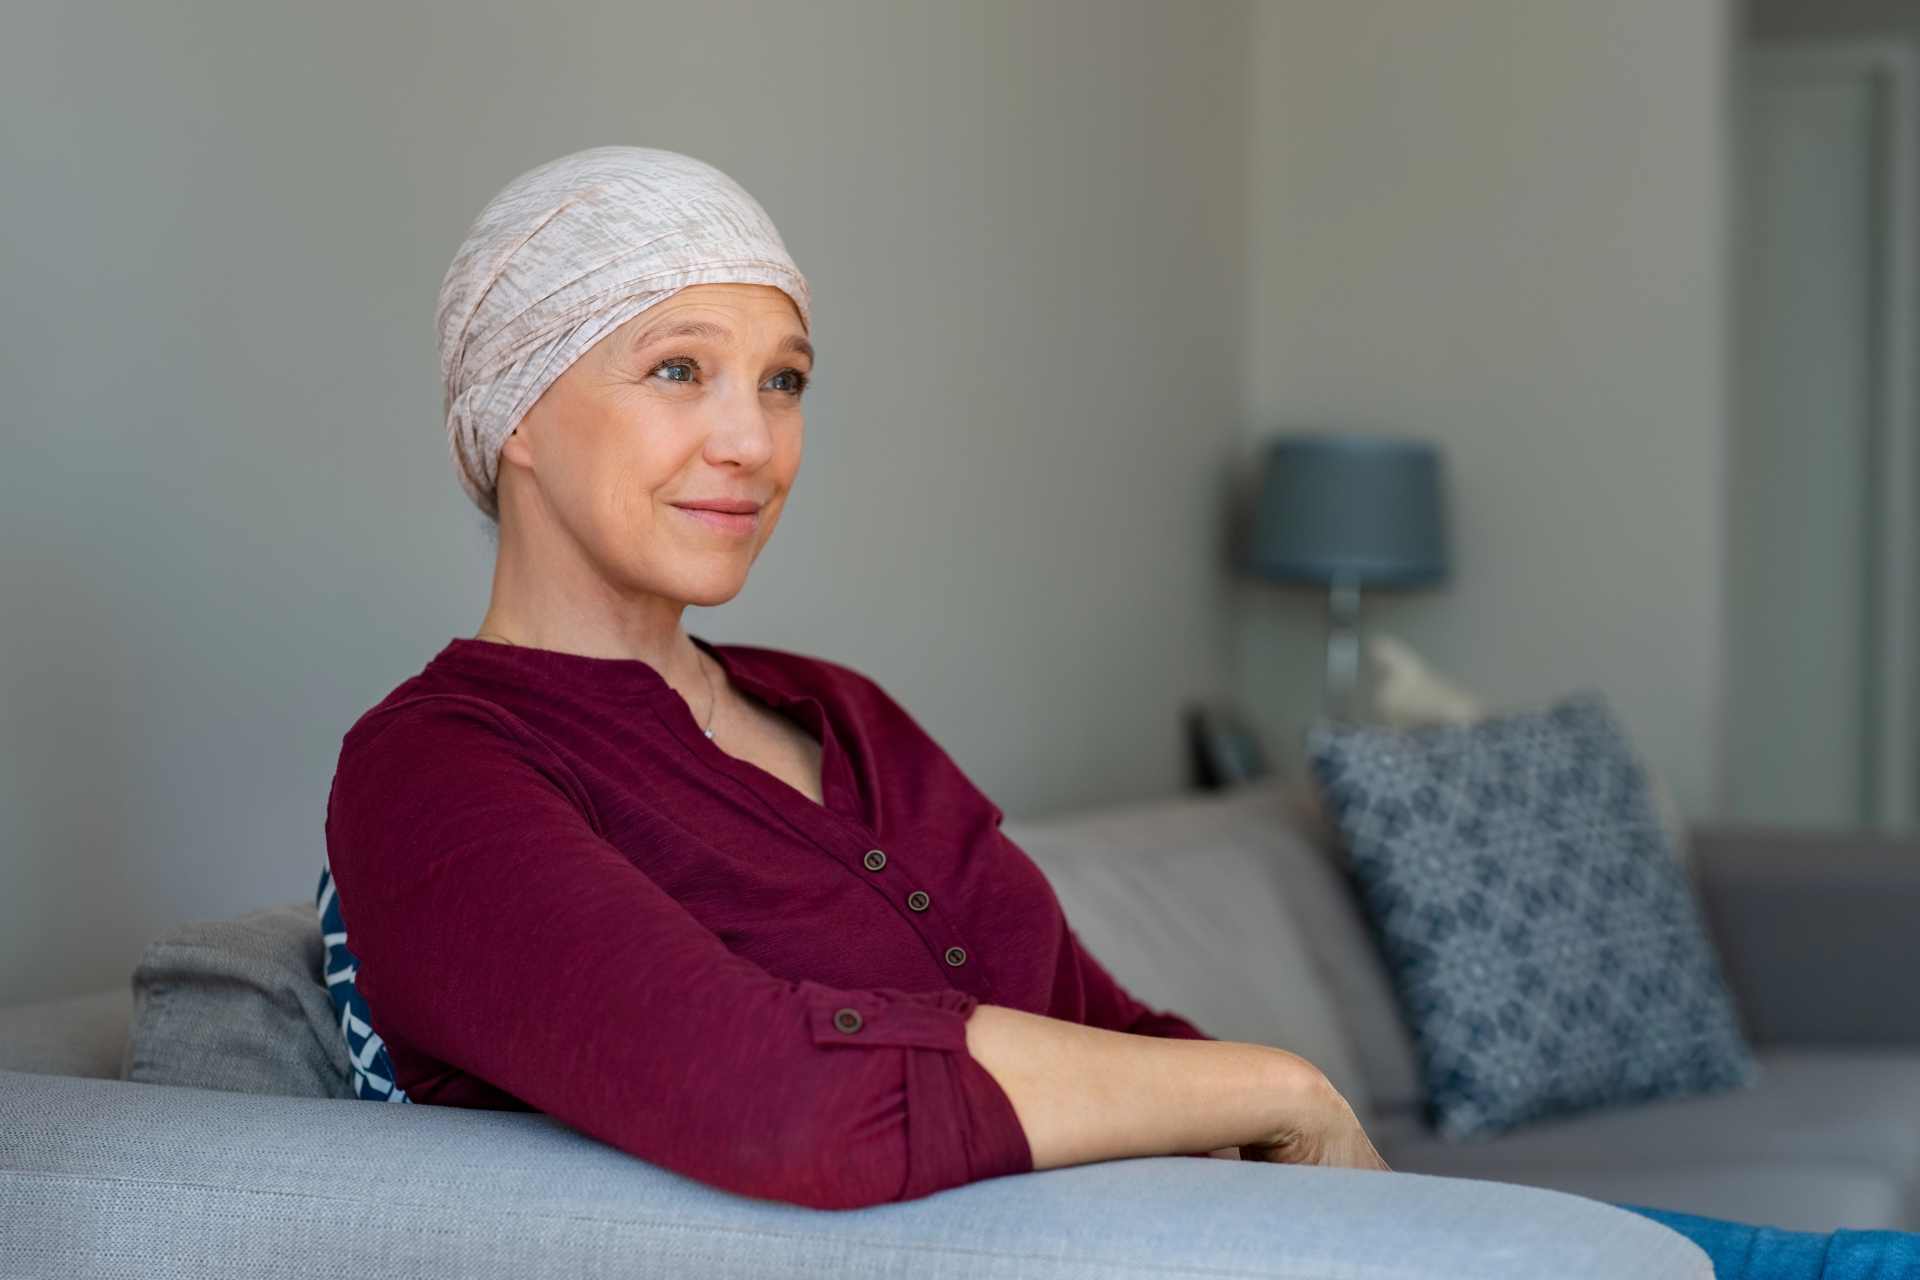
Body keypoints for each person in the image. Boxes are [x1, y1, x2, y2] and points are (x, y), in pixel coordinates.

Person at [321, 144, 1919, 1274]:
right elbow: (774, 1096)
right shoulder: (435, 778)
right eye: (681, 370)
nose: (753, 441)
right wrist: (1275, 1085)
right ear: (513, 411)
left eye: (786, 378)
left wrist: (1294, 1158)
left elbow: (1092, 1021)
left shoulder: (842, 714)